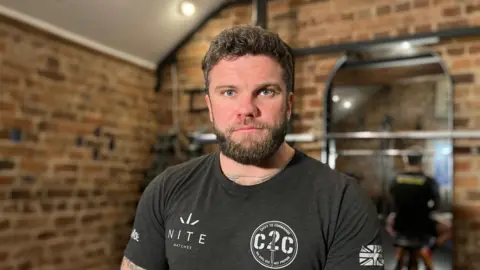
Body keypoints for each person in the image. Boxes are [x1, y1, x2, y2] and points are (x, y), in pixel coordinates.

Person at [121, 24, 384, 270]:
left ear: (289, 105)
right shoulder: (166, 189)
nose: (246, 109)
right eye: (228, 92)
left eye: (266, 91)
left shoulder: (343, 202)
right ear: (210, 108)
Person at [386, 147, 452, 270]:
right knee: (450, 229)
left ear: (406, 160)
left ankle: (402, 252)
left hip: (400, 225)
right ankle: (427, 249)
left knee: (390, 226)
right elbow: (437, 205)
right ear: (421, 161)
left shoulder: (395, 180)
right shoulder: (429, 181)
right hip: (423, 225)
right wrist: (426, 211)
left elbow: (391, 203)